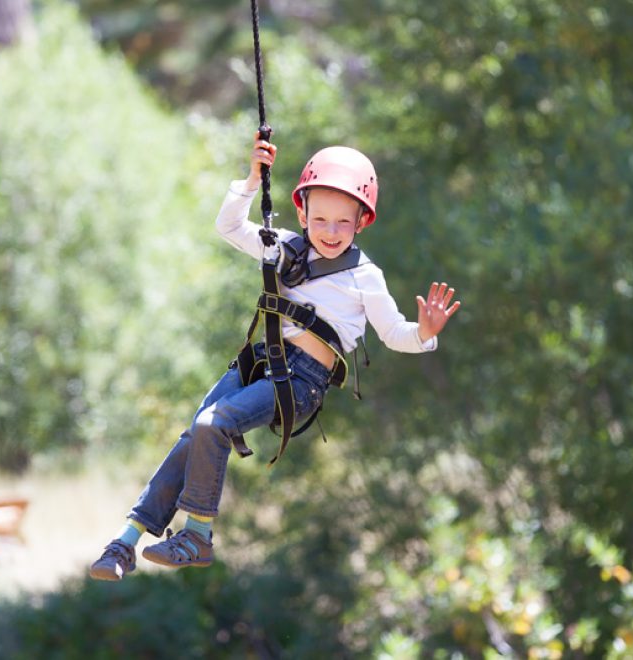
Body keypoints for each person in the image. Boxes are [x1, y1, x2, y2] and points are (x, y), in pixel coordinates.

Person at [88, 134, 461, 580]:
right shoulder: (282, 246)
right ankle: (126, 542)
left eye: (343, 222)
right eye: (320, 219)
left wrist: (425, 332)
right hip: (260, 362)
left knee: (213, 424)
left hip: (300, 382)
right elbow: (229, 227)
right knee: (195, 436)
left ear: (362, 222)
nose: (330, 231)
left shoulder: (366, 277)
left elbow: (394, 334)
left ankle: (198, 535)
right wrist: (252, 179)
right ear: (301, 213)